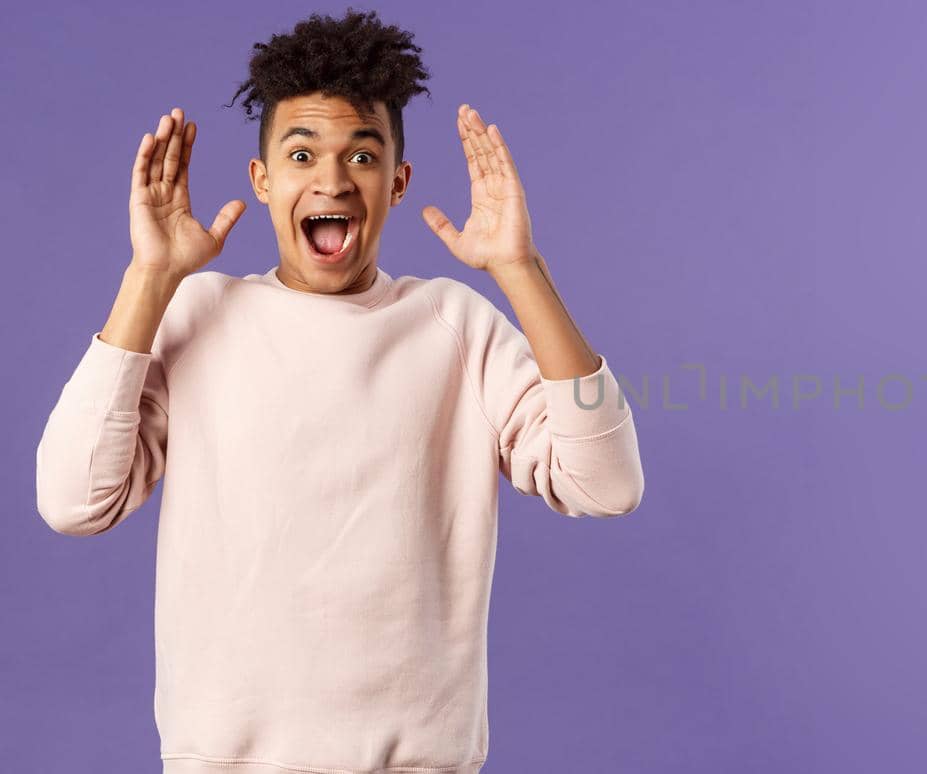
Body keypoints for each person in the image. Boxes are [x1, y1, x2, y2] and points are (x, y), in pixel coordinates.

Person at [34, 10, 644, 773]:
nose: (331, 178)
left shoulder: (453, 324)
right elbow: (72, 501)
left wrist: (521, 271)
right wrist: (149, 279)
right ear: (263, 182)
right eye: (301, 153)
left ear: (396, 183)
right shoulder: (196, 315)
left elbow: (608, 485)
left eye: (362, 154)